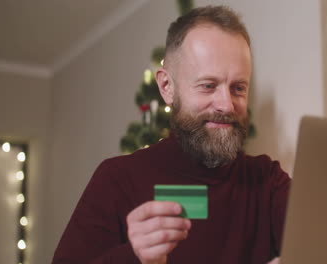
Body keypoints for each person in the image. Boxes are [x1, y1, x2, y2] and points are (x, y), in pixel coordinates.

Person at [52, 5, 290, 264]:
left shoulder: (267, 181)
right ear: (166, 87)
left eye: (238, 88)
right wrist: (134, 257)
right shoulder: (116, 179)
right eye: (208, 86)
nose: (226, 105)